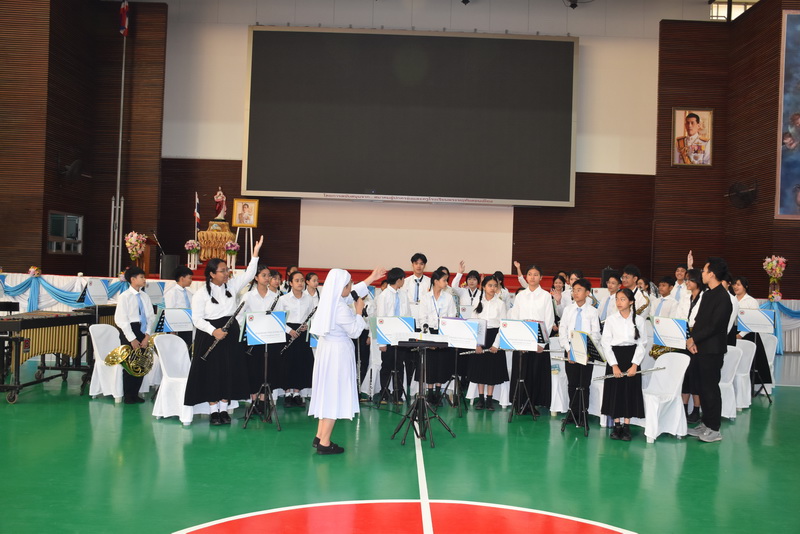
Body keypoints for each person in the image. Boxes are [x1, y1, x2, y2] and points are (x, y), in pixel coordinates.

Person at [184, 235, 264, 425]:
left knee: (229, 371)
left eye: (227, 270)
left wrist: (255, 254)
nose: (227, 273)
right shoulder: (201, 294)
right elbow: (196, 319)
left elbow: (248, 274)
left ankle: (224, 409)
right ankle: (214, 411)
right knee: (212, 373)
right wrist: (214, 331)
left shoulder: (232, 285)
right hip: (210, 335)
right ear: (212, 274)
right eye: (223, 271)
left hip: (230, 333)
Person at [309, 267, 386, 455]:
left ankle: (319, 436)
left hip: (328, 351)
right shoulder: (341, 308)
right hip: (337, 354)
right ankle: (325, 443)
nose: (351, 287)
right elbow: (355, 332)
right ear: (341, 287)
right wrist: (359, 312)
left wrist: (371, 278)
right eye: (349, 284)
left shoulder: (330, 301)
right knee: (334, 395)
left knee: (327, 393)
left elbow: (352, 293)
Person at [685, 258, 733, 443]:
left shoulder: (723, 297)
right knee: (701, 387)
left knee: (710, 388)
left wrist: (694, 339)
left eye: (704, 271)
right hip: (700, 348)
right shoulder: (707, 294)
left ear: (712, 274)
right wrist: (693, 340)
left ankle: (714, 428)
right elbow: (699, 321)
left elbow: (714, 326)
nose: (702, 274)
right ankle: (705, 423)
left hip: (712, 350)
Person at [497, 264, 555, 416]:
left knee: (535, 373)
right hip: (522, 340)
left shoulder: (546, 296)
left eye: (535, 274)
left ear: (541, 277)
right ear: (526, 277)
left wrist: (541, 343)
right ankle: (519, 402)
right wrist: (518, 342)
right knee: (521, 372)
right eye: (529, 274)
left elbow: (549, 320)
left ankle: (532, 404)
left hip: (538, 341)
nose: (532, 277)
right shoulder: (520, 296)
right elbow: (515, 318)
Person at [600, 288, 647, 441]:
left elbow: (642, 344)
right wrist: (614, 365)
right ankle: (617, 425)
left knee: (629, 391)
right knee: (615, 391)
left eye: (623, 299)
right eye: (617, 299)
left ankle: (626, 426)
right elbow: (606, 343)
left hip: (631, 357)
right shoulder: (611, 320)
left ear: (631, 302)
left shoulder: (639, 320)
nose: (618, 302)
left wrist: (635, 365)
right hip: (615, 357)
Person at [559, 278, 601, 427]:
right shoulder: (568, 309)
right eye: (574, 290)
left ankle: (583, 413)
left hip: (586, 352)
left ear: (587, 293)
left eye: (579, 290)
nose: (575, 293)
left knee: (584, 383)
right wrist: (568, 349)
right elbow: (563, 330)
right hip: (570, 350)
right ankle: (572, 412)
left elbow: (596, 334)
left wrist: (587, 351)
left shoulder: (593, 311)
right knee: (572, 383)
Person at [241, 266, 282, 413]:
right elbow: (240, 317)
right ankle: (253, 401)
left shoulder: (275, 297)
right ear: (256, 278)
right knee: (253, 369)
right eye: (263, 275)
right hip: (253, 339)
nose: (267, 278)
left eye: (268, 275)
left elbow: (280, 317)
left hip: (270, 339)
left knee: (267, 369)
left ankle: (264, 402)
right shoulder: (248, 296)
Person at [114, 267, 155, 404]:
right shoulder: (124, 296)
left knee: (141, 363)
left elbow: (150, 317)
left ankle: (135, 393)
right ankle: (128, 395)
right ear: (132, 279)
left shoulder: (145, 296)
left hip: (143, 330)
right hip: (130, 330)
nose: (144, 280)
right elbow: (121, 320)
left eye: (144, 277)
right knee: (129, 364)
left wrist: (147, 335)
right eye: (141, 277)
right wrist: (132, 339)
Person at [469, 275, 508, 411]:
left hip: (494, 336)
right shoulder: (477, 302)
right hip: (481, 337)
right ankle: (481, 399)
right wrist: (477, 343)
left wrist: (496, 344)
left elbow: (503, 325)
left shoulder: (500, 304)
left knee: (492, 370)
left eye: (495, 286)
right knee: (480, 369)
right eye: (490, 285)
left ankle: (489, 400)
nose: (492, 288)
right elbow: (473, 323)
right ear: (484, 287)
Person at [420, 269, 458, 404]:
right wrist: (428, 337)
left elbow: (452, 316)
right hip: (429, 332)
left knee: (441, 364)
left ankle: (438, 393)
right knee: (430, 364)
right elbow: (422, 318)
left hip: (443, 333)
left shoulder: (448, 297)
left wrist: (445, 333)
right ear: (436, 281)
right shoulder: (425, 297)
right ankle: (429, 393)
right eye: (444, 280)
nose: (446, 283)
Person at [374, 267, 410, 405]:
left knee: (399, 366)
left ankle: (398, 394)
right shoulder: (383, 296)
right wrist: (382, 342)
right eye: (403, 279)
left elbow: (407, 314)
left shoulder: (403, 295)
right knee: (387, 366)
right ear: (399, 279)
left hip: (401, 336)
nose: (403, 281)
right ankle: (384, 392)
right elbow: (380, 318)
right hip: (387, 337)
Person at [279, 271, 315, 408]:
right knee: (288, 363)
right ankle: (287, 393)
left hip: (302, 333)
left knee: (301, 362)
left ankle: (297, 393)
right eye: (297, 280)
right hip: (289, 333)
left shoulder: (309, 299)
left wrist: (308, 325)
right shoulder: (283, 299)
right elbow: (279, 318)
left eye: (302, 280)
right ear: (290, 283)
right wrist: (289, 330)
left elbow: (312, 316)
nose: (300, 283)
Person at [733, 276, 773, 392]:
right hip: (734, 331)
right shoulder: (732, 299)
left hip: (748, 334)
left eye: (738, 284)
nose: (735, 287)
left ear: (745, 286)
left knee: (753, 362)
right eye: (734, 284)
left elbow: (753, 320)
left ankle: (754, 386)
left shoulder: (751, 301)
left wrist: (741, 335)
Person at [678, 268, 704, 423]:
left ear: (698, 281)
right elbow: (679, 316)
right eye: (686, 280)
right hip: (684, 336)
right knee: (685, 375)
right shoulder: (685, 297)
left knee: (696, 376)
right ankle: (683, 406)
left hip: (698, 340)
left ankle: (696, 409)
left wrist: (692, 339)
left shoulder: (705, 297)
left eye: (689, 280)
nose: (686, 282)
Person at [163, 265, 195, 347]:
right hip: (176, 326)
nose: (191, 281)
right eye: (189, 278)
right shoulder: (172, 293)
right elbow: (170, 311)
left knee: (187, 347)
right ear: (182, 278)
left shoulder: (189, 293)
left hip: (187, 325)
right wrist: (172, 329)